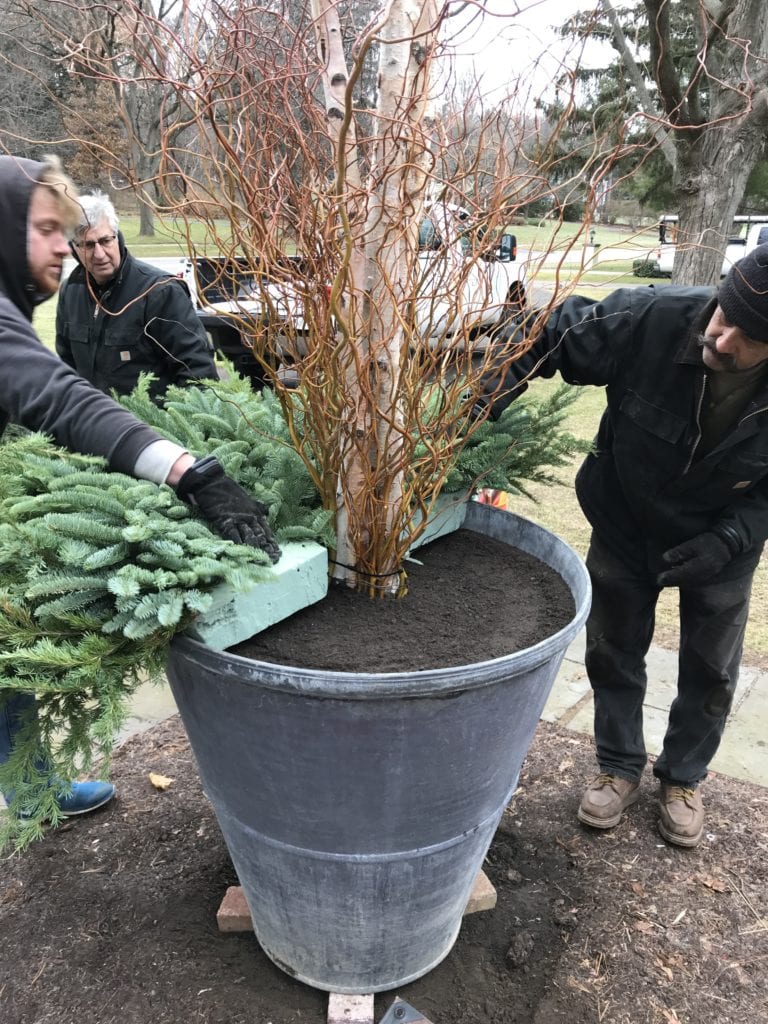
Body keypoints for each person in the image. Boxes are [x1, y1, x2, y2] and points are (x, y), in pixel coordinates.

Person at [0, 154, 279, 818]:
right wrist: (189, 472)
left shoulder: (157, 293)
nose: (66, 249)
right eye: (47, 229)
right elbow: (58, 392)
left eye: (87, 237)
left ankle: (37, 793)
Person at [480, 245, 768, 846]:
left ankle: (684, 777)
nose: (721, 337)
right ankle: (617, 766)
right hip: (624, 521)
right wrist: (481, 404)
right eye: (724, 312)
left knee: (712, 668)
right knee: (612, 649)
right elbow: (544, 333)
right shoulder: (652, 318)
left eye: (750, 335)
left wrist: (729, 540)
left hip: (721, 545)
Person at [56, 190, 217, 399]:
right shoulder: (70, 292)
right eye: (87, 245)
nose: (99, 254)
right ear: (73, 248)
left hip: (152, 427)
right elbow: (67, 369)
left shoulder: (160, 291)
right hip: (93, 426)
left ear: (118, 237)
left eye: (105, 241)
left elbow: (199, 375)